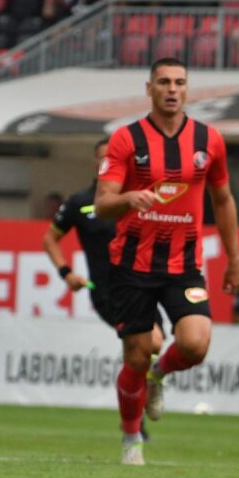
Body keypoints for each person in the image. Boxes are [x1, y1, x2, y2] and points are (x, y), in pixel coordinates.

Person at [95, 58, 239, 466]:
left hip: (184, 264)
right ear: (150, 89)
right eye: (163, 82)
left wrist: (234, 259)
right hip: (132, 265)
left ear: (187, 89)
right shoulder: (125, 139)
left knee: (195, 344)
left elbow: (223, 200)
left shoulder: (209, 140)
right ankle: (131, 438)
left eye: (179, 82)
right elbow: (103, 203)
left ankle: (158, 376)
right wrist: (128, 198)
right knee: (137, 355)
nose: (172, 89)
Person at [45, 138, 165, 402]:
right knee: (150, 342)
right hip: (108, 293)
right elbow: (50, 239)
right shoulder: (80, 202)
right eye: (104, 157)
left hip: (142, 287)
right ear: (95, 162)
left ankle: (137, 404)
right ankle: (139, 404)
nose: (109, 162)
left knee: (142, 350)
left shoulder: (136, 197)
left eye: (115, 157)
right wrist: (66, 273)